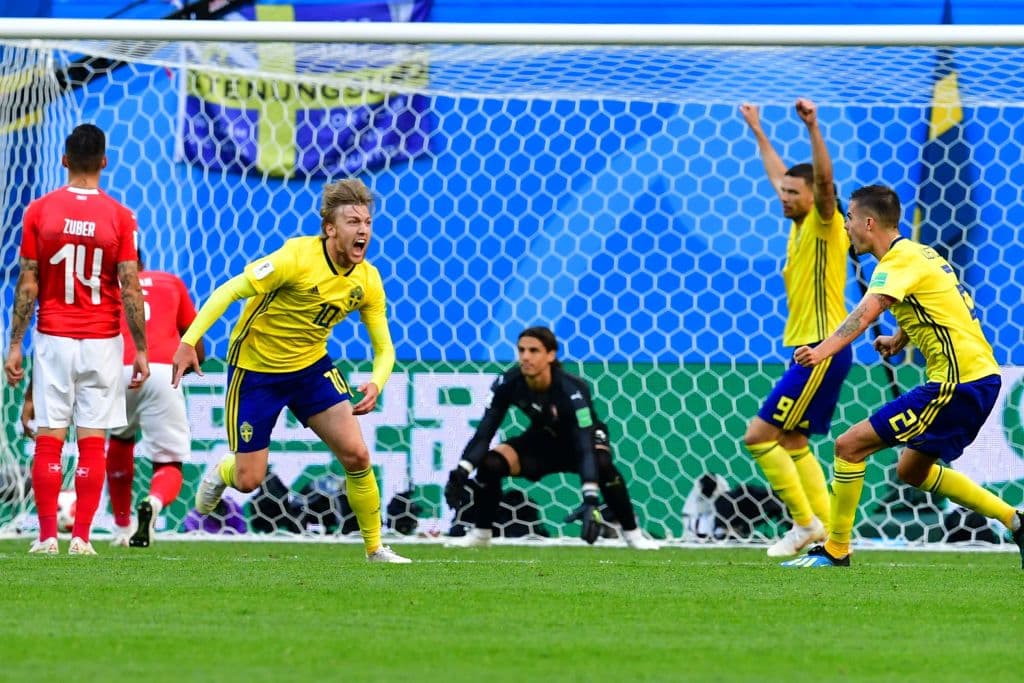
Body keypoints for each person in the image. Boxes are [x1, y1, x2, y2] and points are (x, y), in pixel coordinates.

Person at [781, 184, 1024, 568]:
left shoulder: (895, 263)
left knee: (849, 446)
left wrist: (821, 351)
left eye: (849, 218)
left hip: (956, 384)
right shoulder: (921, 254)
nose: (845, 226)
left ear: (869, 223)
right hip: (975, 378)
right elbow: (937, 303)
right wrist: (899, 338)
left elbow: (866, 313)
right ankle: (1016, 521)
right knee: (911, 470)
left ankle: (836, 549)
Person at [171, 178, 410, 564]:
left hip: (310, 369)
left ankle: (375, 549)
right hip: (256, 372)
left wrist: (377, 382)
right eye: (352, 222)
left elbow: (385, 348)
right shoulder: (295, 258)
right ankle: (221, 472)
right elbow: (229, 291)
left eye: (367, 222)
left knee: (356, 454)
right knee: (249, 480)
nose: (363, 230)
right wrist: (188, 341)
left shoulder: (367, 280)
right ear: (330, 228)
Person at [3, 123, 149, 556]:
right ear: (104, 161)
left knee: (49, 438)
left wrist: (15, 344)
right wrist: (141, 349)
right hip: (102, 341)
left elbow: (28, 283)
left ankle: (47, 536)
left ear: (64, 160)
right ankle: (82, 537)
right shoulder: (121, 216)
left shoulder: (39, 210)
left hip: (54, 337)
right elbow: (130, 286)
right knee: (91, 441)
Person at [739, 99, 852, 557]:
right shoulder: (798, 222)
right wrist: (758, 130)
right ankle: (826, 533)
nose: (783, 197)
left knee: (758, 436)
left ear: (814, 197)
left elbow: (823, 182)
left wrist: (813, 127)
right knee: (793, 439)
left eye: (791, 193)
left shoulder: (825, 222)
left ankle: (804, 523)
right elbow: (778, 174)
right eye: (782, 192)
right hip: (812, 348)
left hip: (821, 348)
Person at [443, 326, 660, 550]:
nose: (525, 357)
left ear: (551, 355)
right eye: (521, 350)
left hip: (582, 440)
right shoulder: (508, 383)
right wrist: (462, 471)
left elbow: (584, 445)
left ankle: (633, 535)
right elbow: (484, 433)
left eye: (534, 350)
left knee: (603, 464)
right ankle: (481, 534)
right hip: (544, 440)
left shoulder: (572, 389)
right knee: (491, 463)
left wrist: (590, 499)